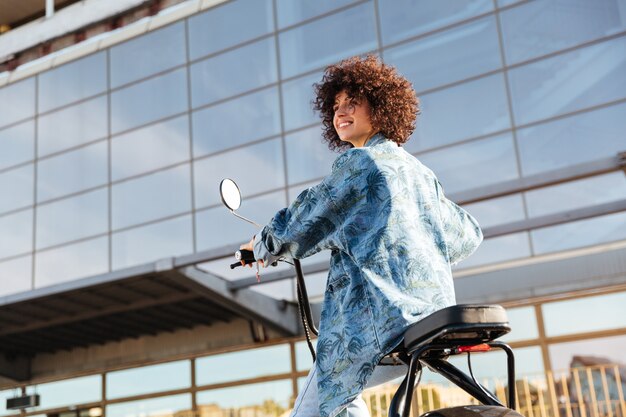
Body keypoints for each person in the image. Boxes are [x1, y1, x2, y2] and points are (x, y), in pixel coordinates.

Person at [240, 55, 483, 417]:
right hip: (429, 319)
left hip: (378, 325)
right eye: (336, 105)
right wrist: (414, 244)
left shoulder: (361, 164)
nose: (341, 111)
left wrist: (258, 246)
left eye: (352, 102)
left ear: (381, 107)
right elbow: (468, 234)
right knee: (343, 402)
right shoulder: (419, 173)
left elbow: (308, 216)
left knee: (318, 405)